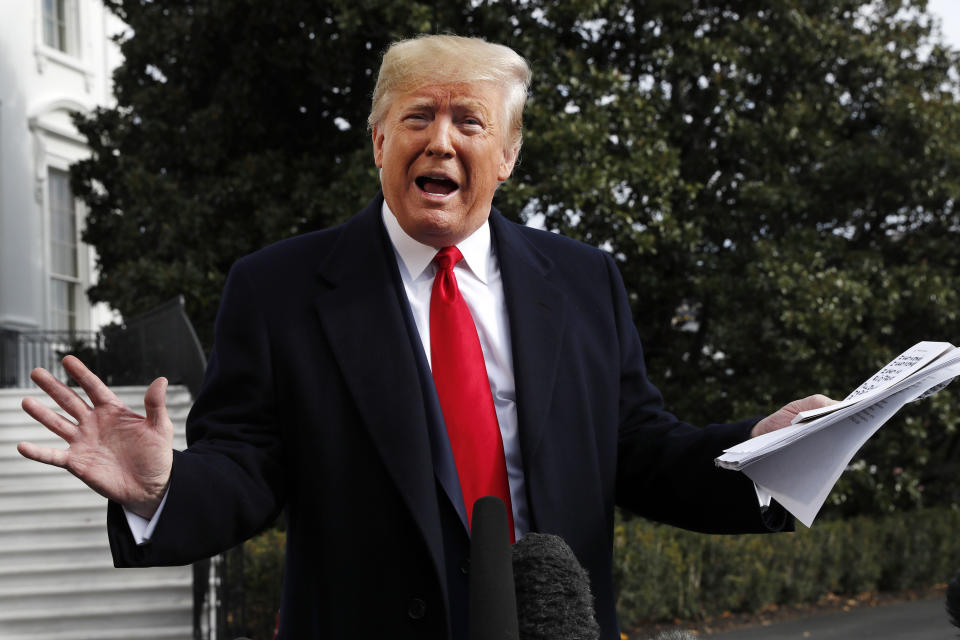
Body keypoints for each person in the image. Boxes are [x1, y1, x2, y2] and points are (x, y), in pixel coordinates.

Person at [18, 35, 830, 640]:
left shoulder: (585, 283)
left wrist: (766, 455)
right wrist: (166, 489)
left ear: (507, 154)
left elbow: (641, 450)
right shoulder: (278, 289)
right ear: (380, 142)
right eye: (418, 117)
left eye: (469, 121)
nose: (441, 140)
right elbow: (247, 468)